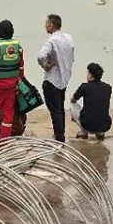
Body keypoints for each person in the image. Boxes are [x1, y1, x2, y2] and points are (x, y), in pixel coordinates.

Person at [35, 14, 75, 144]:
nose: (45, 26)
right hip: (64, 79)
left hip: (52, 80)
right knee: (60, 108)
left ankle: (59, 137)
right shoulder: (69, 38)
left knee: (55, 110)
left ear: (51, 25)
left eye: (46, 24)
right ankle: (60, 133)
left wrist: (45, 65)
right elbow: (71, 56)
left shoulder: (51, 40)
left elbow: (41, 56)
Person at [71, 62, 112, 140]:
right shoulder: (108, 87)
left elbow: (73, 100)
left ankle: (83, 132)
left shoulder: (84, 86)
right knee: (101, 106)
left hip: (88, 126)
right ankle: (100, 133)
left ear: (90, 75)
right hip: (105, 126)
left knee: (72, 106)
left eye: (88, 73)